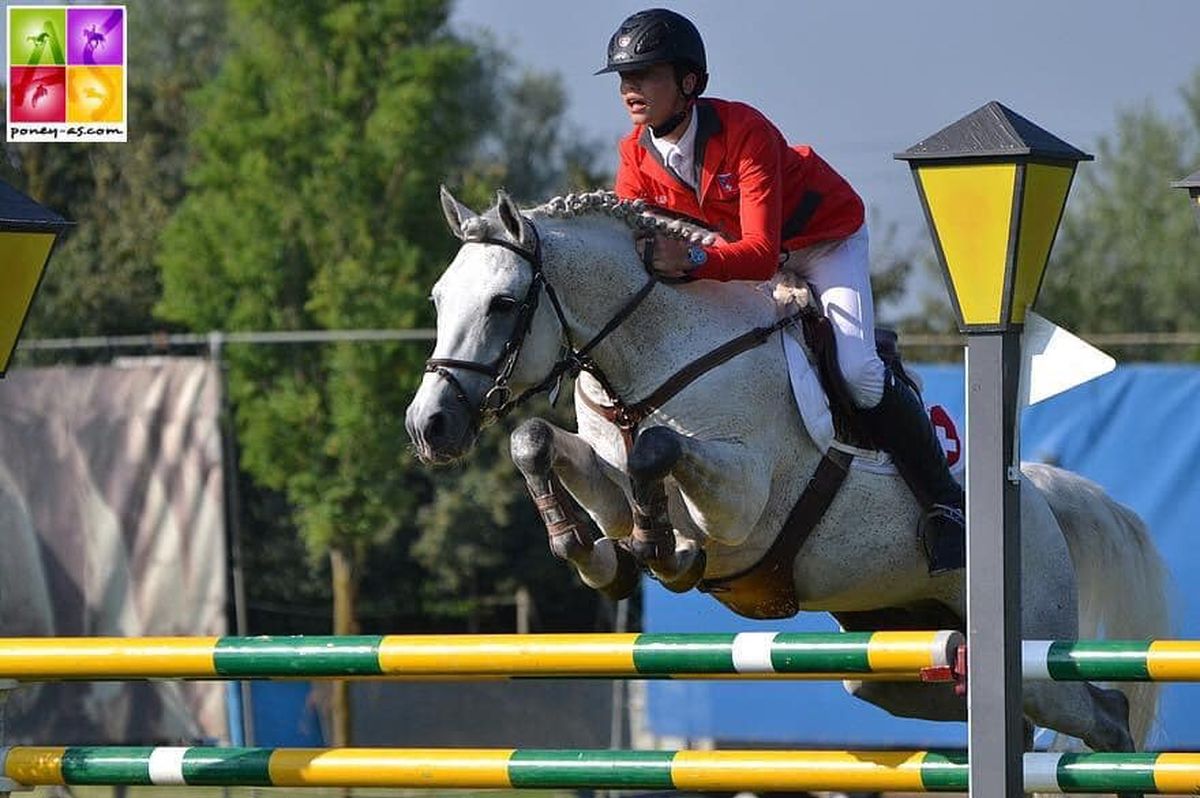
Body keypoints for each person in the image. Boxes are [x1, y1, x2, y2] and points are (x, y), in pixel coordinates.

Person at [597, 8, 965, 574]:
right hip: (736, 258)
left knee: (859, 373)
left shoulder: (744, 131)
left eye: (645, 74)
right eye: (625, 77)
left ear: (689, 82)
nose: (630, 88)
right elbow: (638, 248)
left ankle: (946, 504)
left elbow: (761, 254)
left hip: (822, 244)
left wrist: (691, 259)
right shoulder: (634, 155)